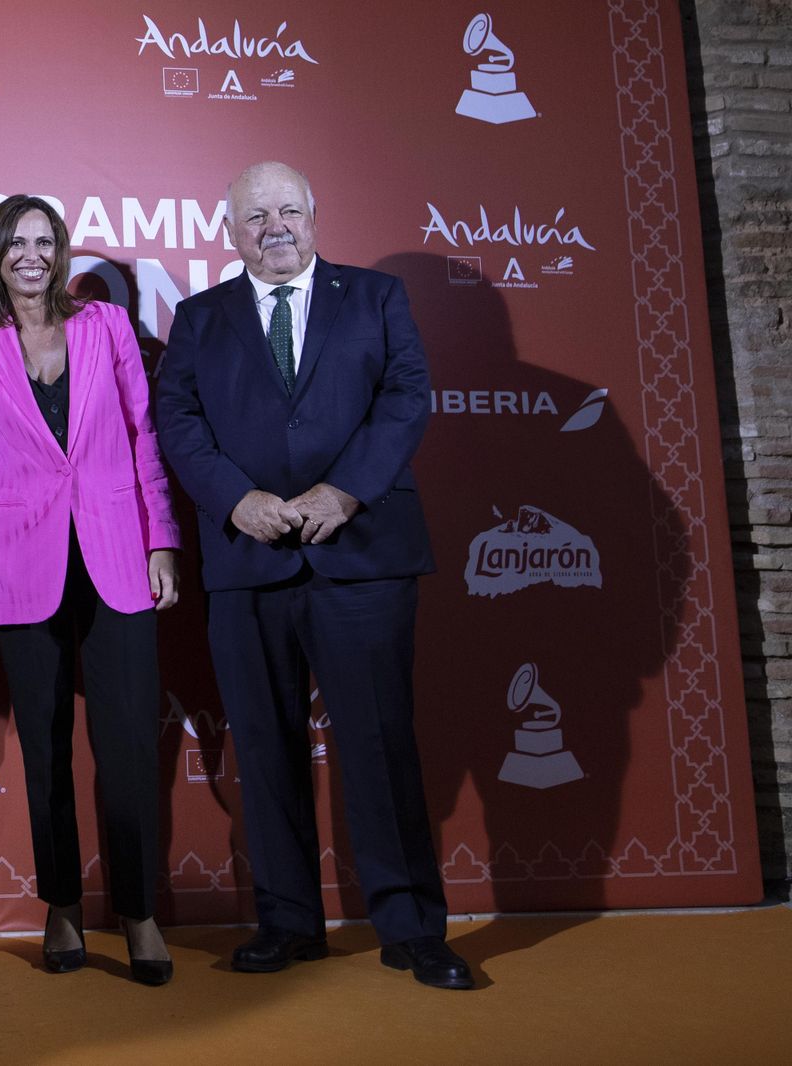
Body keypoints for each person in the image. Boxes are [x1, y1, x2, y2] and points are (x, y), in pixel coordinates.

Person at [155, 162, 474, 990]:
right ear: (230, 231)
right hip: (248, 559)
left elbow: (406, 397)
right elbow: (176, 421)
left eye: (289, 209)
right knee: (264, 750)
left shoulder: (374, 298)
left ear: (316, 216)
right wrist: (235, 501)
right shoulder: (197, 318)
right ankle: (288, 922)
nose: (275, 226)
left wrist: (346, 491)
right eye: (255, 216)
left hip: (362, 556)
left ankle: (410, 927)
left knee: (379, 745)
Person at [0, 196, 182, 985]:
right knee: (44, 752)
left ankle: (140, 912)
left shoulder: (105, 326)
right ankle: (62, 906)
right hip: (20, 559)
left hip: (117, 551)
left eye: (45, 241)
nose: (31, 255)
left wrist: (161, 540)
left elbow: (143, 433)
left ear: (61, 251)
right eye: (16, 242)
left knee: (126, 747)